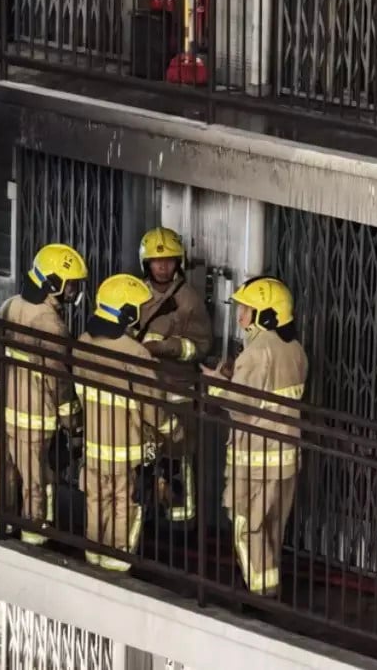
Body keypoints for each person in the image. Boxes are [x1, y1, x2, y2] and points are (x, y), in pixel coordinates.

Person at [202, 275, 308, 597]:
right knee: (272, 529)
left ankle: (259, 596)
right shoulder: (296, 350)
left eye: (246, 310)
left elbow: (239, 406)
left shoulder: (256, 352)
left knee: (245, 528)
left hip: (256, 461)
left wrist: (216, 383)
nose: (240, 317)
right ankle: (270, 590)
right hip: (287, 458)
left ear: (265, 314)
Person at [0, 243, 88, 545]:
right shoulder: (50, 323)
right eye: (70, 284)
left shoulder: (11, 305)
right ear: (53, 283)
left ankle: (0, 527)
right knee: (38, 480)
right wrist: (73, 421)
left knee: (3, 473)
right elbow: (59, 380)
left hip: (4, 410)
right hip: (35, 417)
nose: (73, 290)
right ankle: (35, 536)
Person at [73, 274, 165, 571]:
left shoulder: (84, 342)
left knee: (95, 502)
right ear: (126, 313)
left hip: (94, 446)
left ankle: (93, 560)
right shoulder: (136, 353)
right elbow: (152, 406)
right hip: (127, 449)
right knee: (124, 504)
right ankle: (116, 564)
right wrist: (171, 430)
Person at [135, 226, 213, 527]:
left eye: (168, 259)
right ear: (147, 263)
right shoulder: (135, 294)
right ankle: (147, 514)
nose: (163, 266)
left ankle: (182, 521)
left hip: (179, 391)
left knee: (180, 457)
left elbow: (202, 345)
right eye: (156, 260)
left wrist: (166, 347)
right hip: (145, 389)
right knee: (145, 456)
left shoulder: (189, 300)